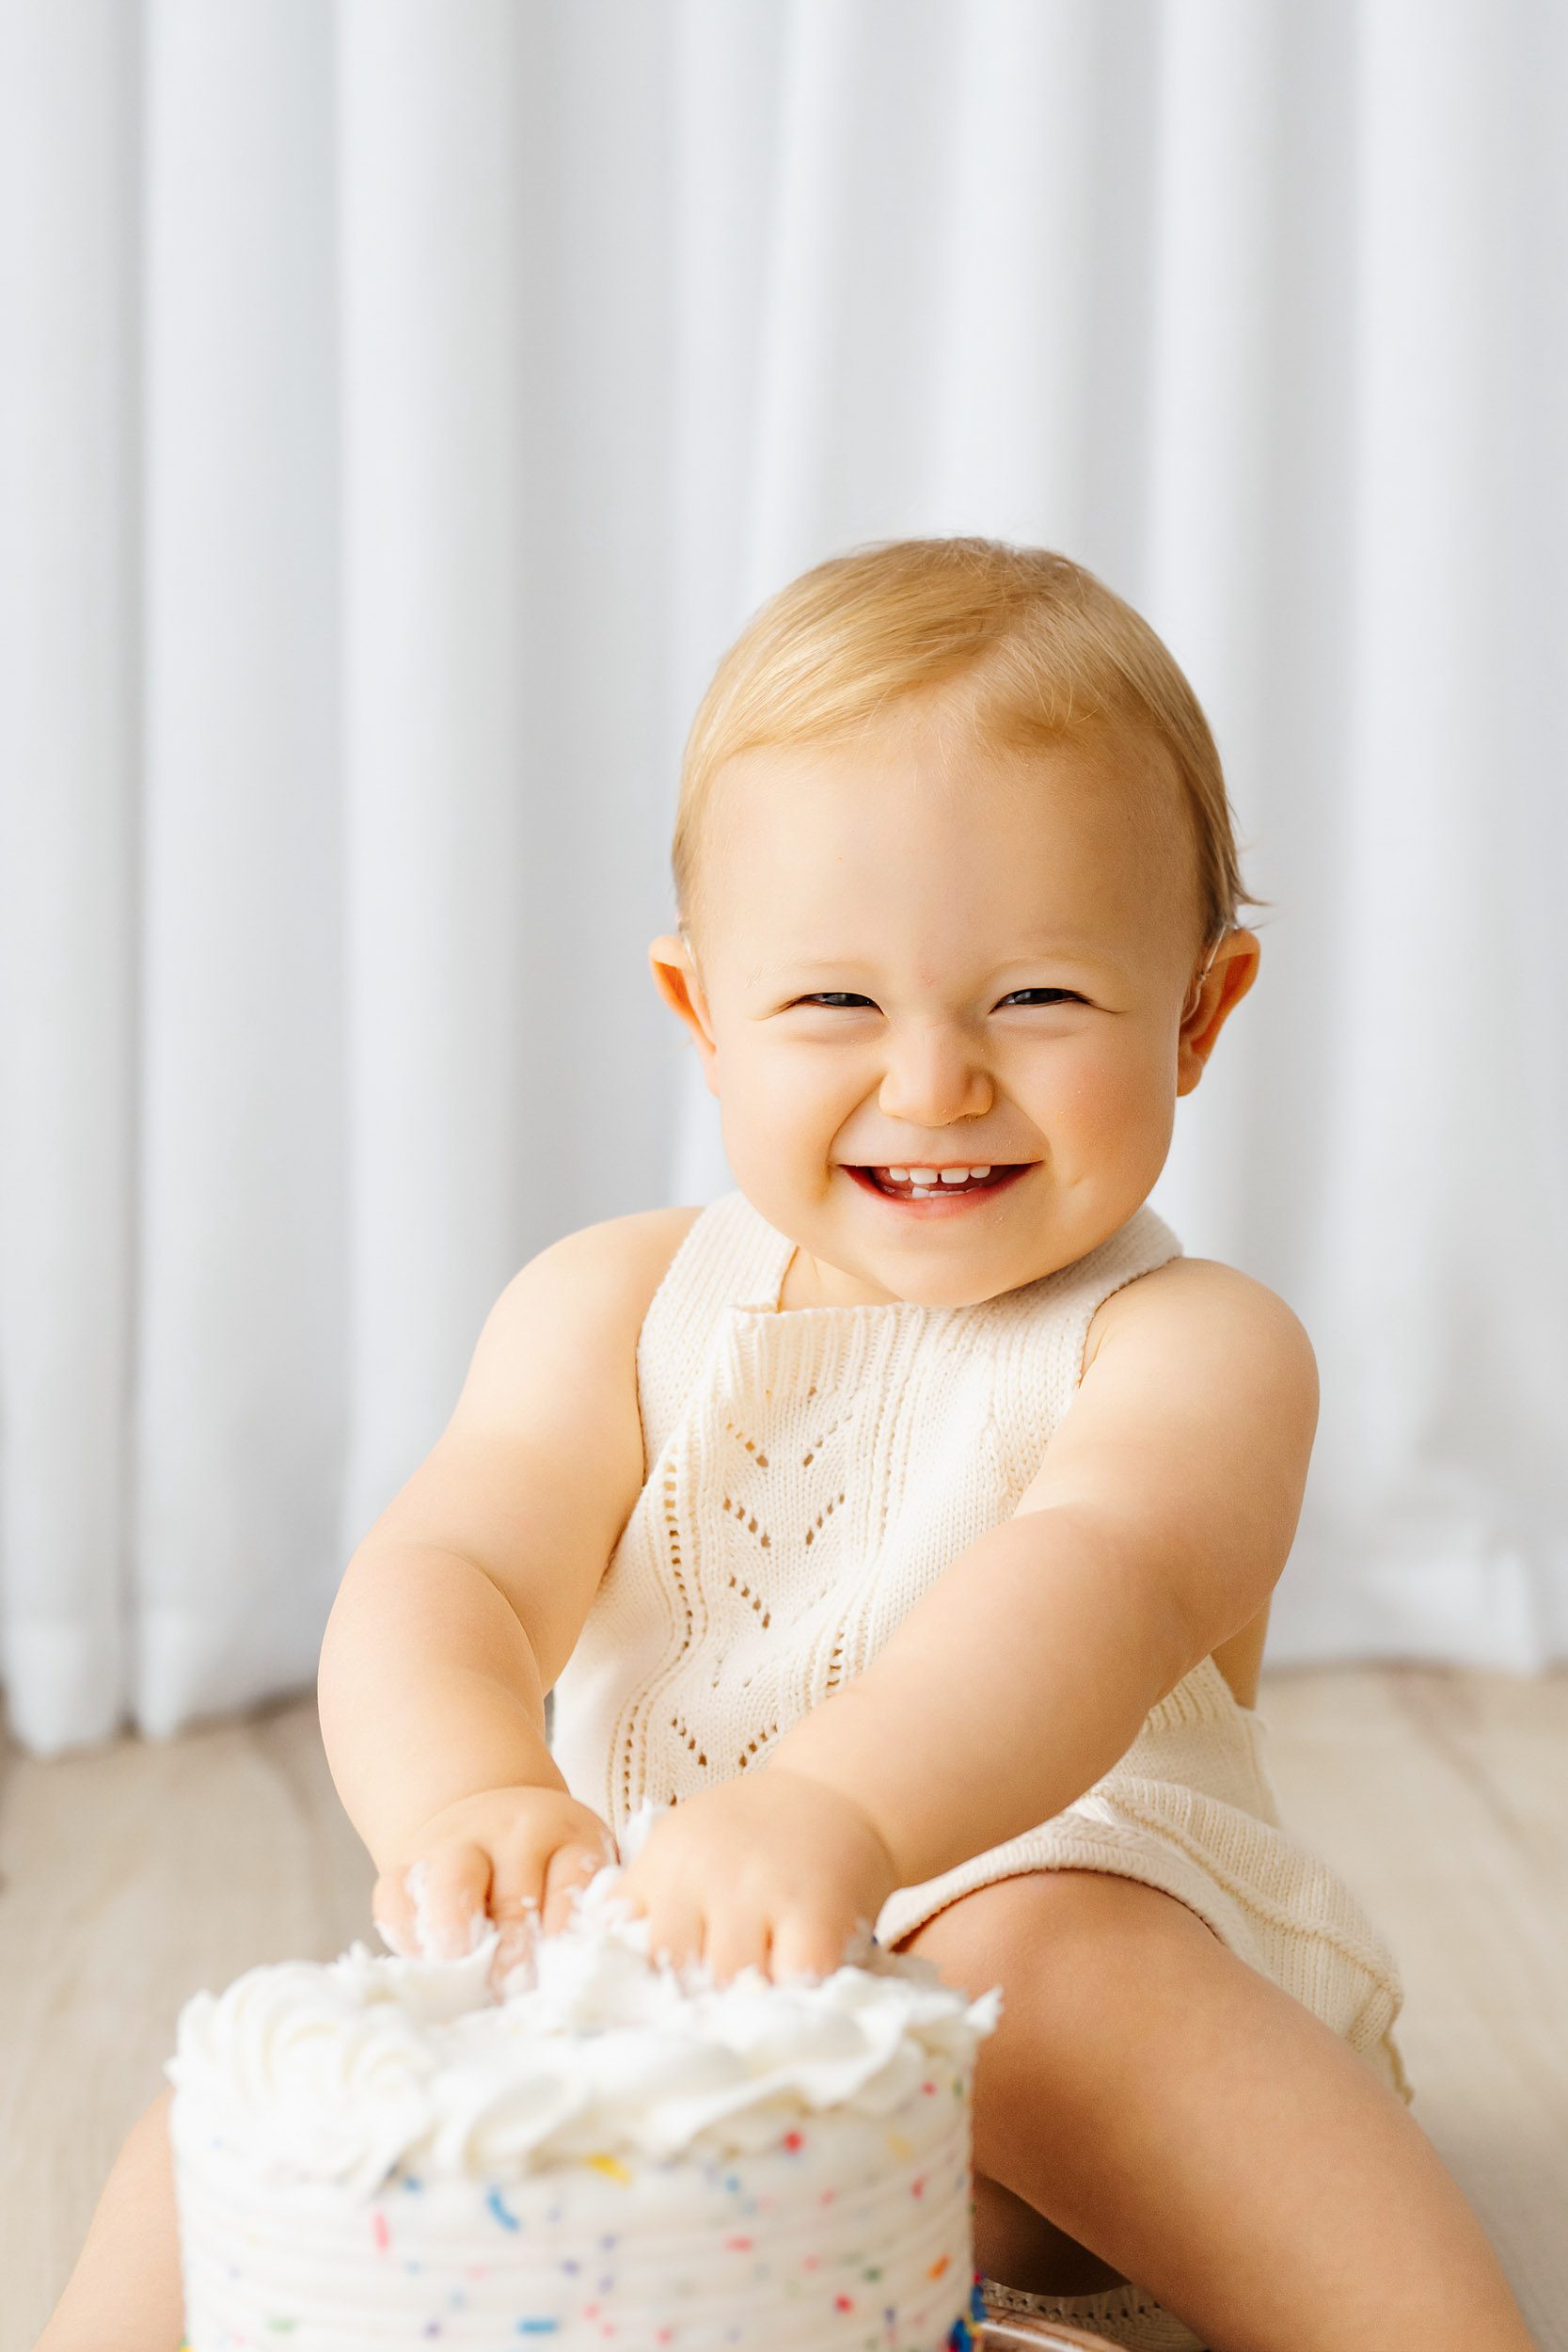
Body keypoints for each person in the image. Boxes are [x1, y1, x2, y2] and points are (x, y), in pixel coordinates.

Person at [39, 539, 1535, 2351]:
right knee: (253, 2102)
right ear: (703, 1015)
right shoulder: (609, 1306)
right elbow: (452, 1573)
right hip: (692, 2014)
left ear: (1199, 1014)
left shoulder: (1194, 1348)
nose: (933, 1081)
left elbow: (1096, 1578)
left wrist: (843, 1814)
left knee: (1031, 1959)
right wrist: (469, 1801)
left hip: (1065, 2100)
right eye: (836, 1002)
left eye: (1038, 998)